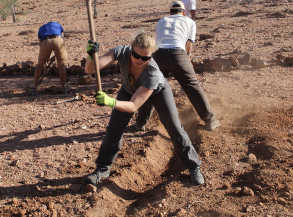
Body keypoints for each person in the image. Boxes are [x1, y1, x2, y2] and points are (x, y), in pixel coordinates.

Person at [84, 32, 205, 186]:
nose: (139, 61)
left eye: (145, 58)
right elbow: (90, 70)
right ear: (131, 48)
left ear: (151, 56)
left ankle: (194, 166)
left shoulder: (153, 73)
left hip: (157, 91)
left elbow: (133, 106)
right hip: (129, 90)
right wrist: (91, 56)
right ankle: (102, 169)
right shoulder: (121, 52)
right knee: (114, 128)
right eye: (136, 55)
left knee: (173, 126)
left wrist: (110, 101)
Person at [135, 1, 220, 132]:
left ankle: (140, 123)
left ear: (170, 12)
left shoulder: (162, 21)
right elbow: (189, 45)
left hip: (158, 55)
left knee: (149, 87)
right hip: (178, 54)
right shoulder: (190, 22)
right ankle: (210, 120)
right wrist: (187, 58)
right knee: (192, 86)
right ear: (184, 12)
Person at [30, 21, 71, 95]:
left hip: (45, 41)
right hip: (58, 40)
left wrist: (44, 63)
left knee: (39, 65)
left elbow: (40, 44)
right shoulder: (58, 25)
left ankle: (35, 88)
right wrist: (56, 55)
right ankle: (64, 87)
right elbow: (61, 39)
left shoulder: (41, 28)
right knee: (61, 65)